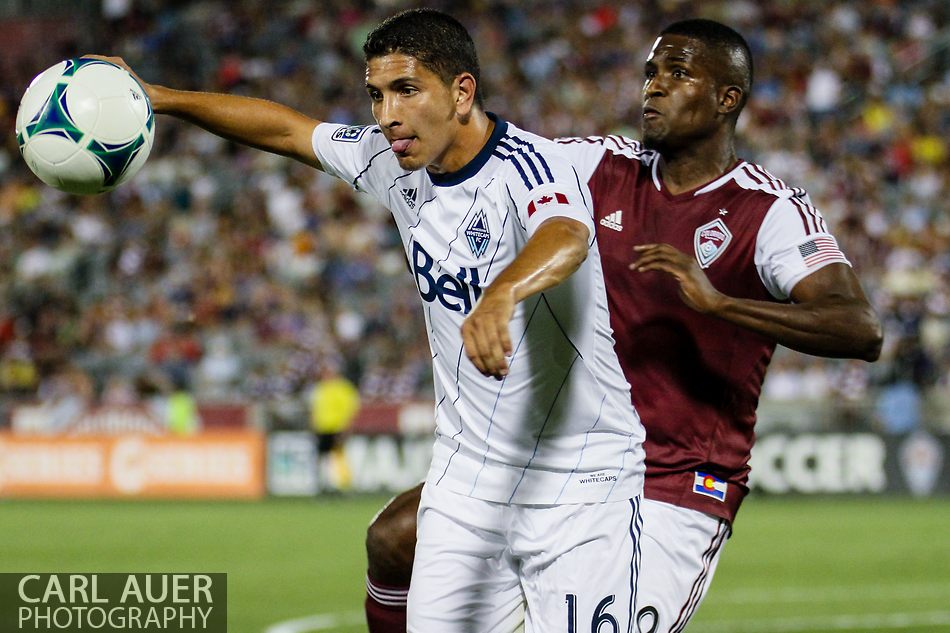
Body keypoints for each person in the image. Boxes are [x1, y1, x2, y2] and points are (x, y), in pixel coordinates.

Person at [95, 8, 647, 633]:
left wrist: (501, 293)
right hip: (467, 481)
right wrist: (160, 98)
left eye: (406, 91)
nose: (387, 115)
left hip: (581, 478)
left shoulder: (534, 167)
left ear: (462, 92)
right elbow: (284, 130)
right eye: (377, 95)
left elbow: (566, 234)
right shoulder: (392, 164)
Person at [362, 18, 883, 633]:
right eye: (650, 73)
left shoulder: (767, 212)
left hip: (676, 481)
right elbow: (497, 150)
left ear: (727, 100)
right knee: (397, 537)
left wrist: (723, 305)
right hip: (566, 464)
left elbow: (858, 327)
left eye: (677, 74)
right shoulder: (597, 167)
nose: (653, 88)